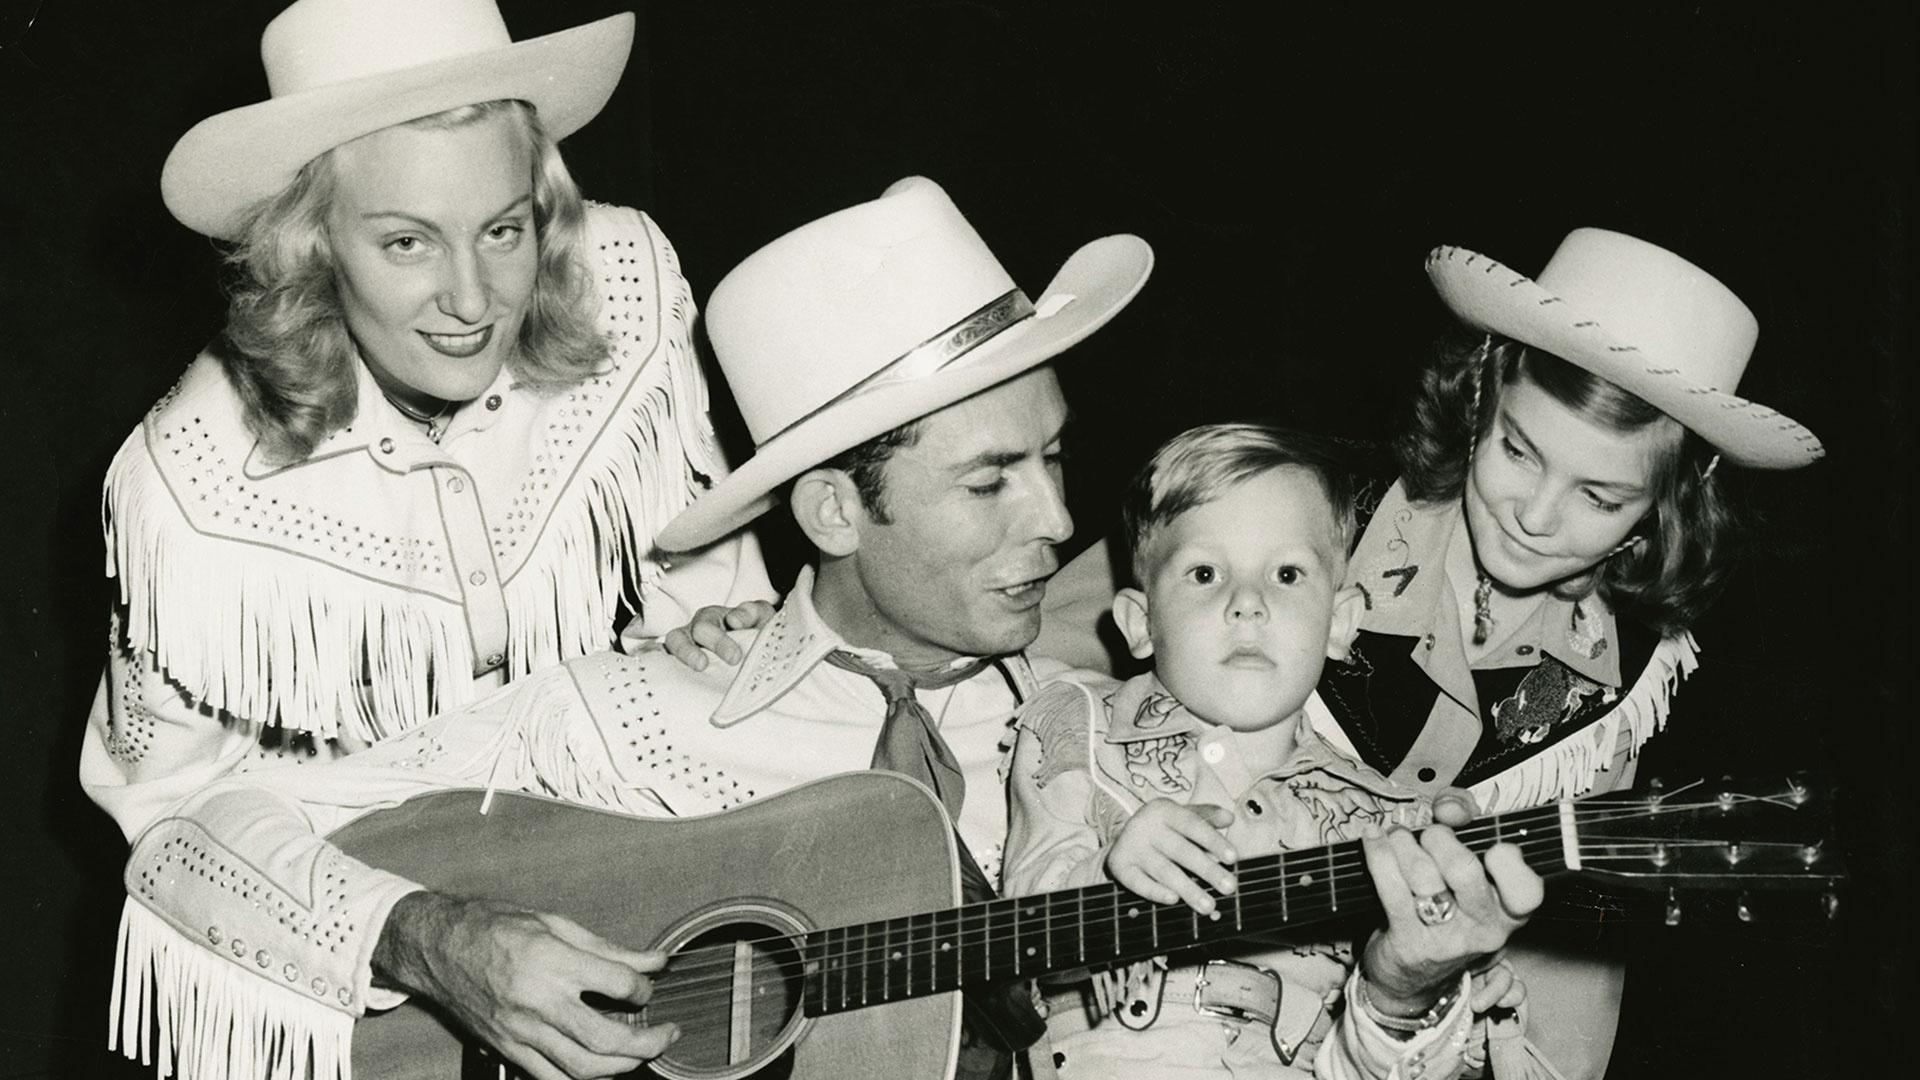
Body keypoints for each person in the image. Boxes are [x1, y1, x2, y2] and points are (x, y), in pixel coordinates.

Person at [105, 176, 1152, 1080]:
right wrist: (437, 938)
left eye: (1052, 457)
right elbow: (199, 834)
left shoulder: (1126, 734)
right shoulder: (626, 717)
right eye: (989, 481)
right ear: (835, 511)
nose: (1058, 521)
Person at [1029, 228, 1826, 1076]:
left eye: (1600, 496)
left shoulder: (1622, 686)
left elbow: (1562, 994)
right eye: (1518, 450)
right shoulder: (1300, 509)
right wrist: (1104, 844)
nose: (1537, 516)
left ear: (1670, 501)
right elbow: (1041, 668)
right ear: (1480, 391)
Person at [86, 0, 769, 873]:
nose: (474, 300)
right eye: (408, 242)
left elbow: (698, 569)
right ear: (310, 247)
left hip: (633, 854)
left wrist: (707, 642)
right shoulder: (187, 483)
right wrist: (415, 931)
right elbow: (171, 824)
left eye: (503, 230)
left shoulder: (620, 287)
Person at [1004, 423, 1539, 1080]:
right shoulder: (1077, 728)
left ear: (1340, 622)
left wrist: (1437, 997)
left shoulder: (1395, 824)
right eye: (1205, 573)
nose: (1248, 604)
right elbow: (1012, 949)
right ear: (1140, 623)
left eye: (1287, 574)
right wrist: (1107, 880)